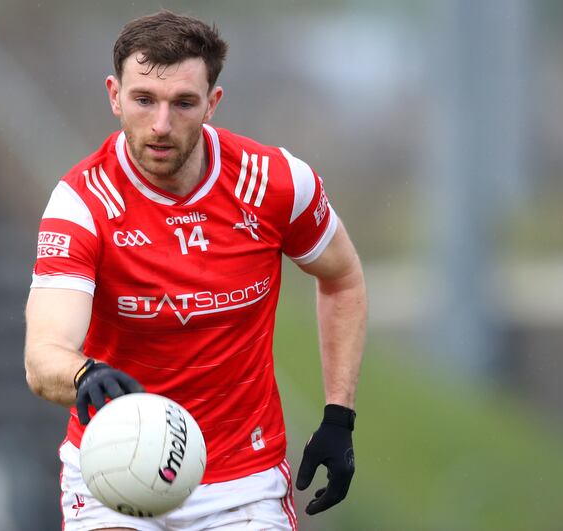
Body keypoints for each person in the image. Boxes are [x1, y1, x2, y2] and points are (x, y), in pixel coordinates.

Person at [24, 10, 367, 531]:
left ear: (213, 103)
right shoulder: (81, 204)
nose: (161, 125)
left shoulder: (276, 183)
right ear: (114, 96)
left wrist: (338, 416)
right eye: (144, 100)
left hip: (242, 481)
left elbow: (342, 278)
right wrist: (84, 374)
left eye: (183, 103)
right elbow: (42, 355)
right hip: (115, 472)